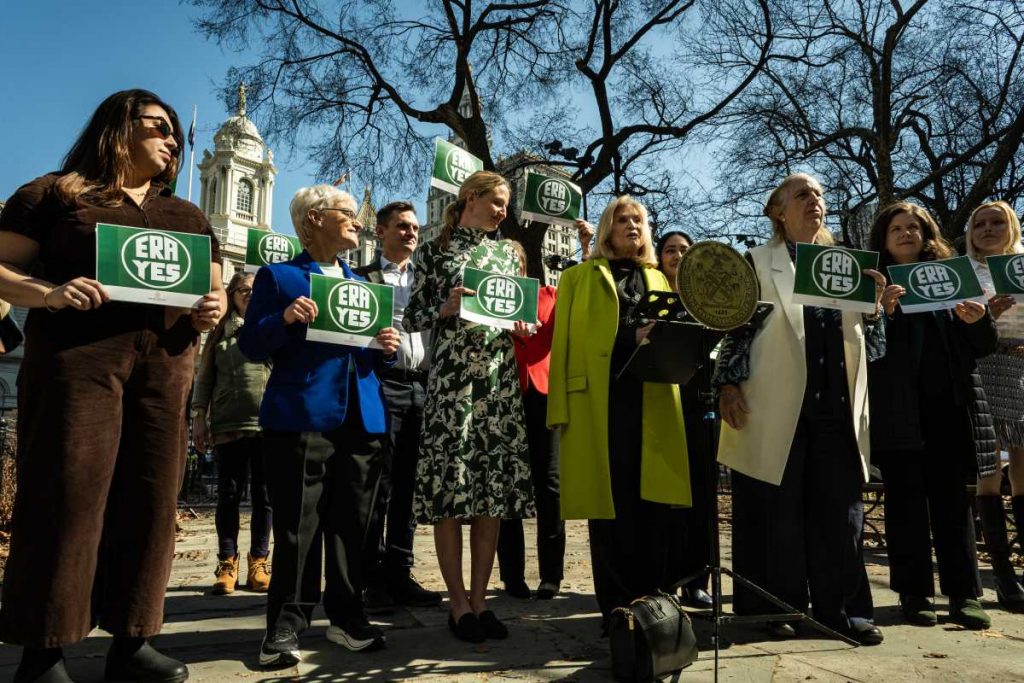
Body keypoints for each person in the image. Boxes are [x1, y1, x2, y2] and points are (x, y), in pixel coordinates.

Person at [0, 89, 225, 683]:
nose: (172, 139)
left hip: (164, 372)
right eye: (157, 125)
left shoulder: (188, 217)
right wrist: (48, 293)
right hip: (77, 365)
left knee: (151, 499)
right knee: (67, 497)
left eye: (175, 131)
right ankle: (43, 649)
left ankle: (134, 641)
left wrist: (213, 306)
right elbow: (2, 266)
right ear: (117, 127)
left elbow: (217, 289)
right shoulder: (53, 194)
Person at [713, 173, 886, 644]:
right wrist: (727, 384)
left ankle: (842, 611)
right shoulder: (755, 262)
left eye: (820, 195)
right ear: (777, 211)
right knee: (774, 512)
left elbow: (874, 348)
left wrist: (875, 311)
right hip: (773, 403)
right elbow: (734, 329)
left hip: (836, 406)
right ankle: (772, 610)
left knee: (840, 512)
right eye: (803, 194)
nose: (815, 201)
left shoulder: (849, 266)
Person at [238, 185, 401, 666]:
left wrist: (385, 349)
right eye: (346, 213)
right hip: (302, 417)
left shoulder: (367, 288)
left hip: (363, 418)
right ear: (314, 220)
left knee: (354, 526)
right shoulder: (280, 277)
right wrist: (285, 318)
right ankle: (285, 627)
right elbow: (251, 345)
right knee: (298, 528)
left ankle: (349, 619)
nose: (356, 220)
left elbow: (372, 363)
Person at [547, 195, 692, 630]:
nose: (633, 226)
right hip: (599, 402)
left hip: (653, 401)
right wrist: (559, 410)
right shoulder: (578, 277)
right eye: (623, 220)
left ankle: (653, 605)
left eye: (640, 220)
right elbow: (564, 346)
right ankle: (615, 608)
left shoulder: (659, 278)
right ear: (607, 228)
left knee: (654, 507)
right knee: (609, 511)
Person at [403, 170, 536, 644]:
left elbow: (519, 314)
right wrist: (445, 306)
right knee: (451, 491)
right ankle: (457, 603)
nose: (504, 211)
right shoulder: (433, 251)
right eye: (497, 201)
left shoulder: (507, 253)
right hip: (452, 386)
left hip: (498, 384)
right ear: (470, 198)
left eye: (506, 205)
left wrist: (523, 324)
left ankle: (482, 601)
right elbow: (412, 315)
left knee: (492, 494)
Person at [867, 201, 997, 630]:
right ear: (884, 239)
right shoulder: (871, 285)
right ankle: (914, 593)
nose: (906, 234)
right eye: (897, 229)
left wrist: (976, 321)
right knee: (905, 504)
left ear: (927, 235)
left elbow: (982, 345)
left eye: (914, 227)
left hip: (949, 408)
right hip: (898, 410)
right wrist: (880, 314)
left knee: (953, 505)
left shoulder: (953, 280)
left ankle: (963, 595)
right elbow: (865, 353)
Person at [353, 201, 442, 612]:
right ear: (381, 231)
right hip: (380, 385)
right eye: (402, 226)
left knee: (409, 486)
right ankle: (370, 579)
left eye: (415, 228)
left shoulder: (429, 280)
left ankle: (400, 572)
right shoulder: (361, 278)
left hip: (423, 386)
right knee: (379, 485)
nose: (411, 233)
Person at [192, 271, 272, 595]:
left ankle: (259, 561)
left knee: (265, 498)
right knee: (229, 496)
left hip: (267, 425)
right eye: (243, 290)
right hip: (227, 424)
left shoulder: (270, 328)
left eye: (255, 290)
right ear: (232, 294)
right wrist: (199, 416)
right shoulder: (219, 333)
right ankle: (227, 562)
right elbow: (205, 377)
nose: (250, 295)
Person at [496, 241, 565, 601]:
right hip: (503, 396)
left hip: (544, 394)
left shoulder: (549, 295)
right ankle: (513, 576)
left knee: (549, 486)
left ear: (524, 265)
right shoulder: (486, 301)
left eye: (513, 261)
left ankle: (551, 575)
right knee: (508, 487)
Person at [965, 200, 1024, 612]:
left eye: (996, 222)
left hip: (1022, 367)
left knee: (1023, 472)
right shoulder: (962, 274)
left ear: (1012, 227)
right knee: (988, 472)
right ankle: (1003, 576)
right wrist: (986, 315)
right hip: (983, 368)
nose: (987, 229)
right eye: (979, 223)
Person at [655, 231, 714, 609]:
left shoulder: (710, 300)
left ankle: (697, 581)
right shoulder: (653, 296)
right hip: (663, 405)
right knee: (666, 501)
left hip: (701, 405)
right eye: (671, 249)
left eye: (686, 249)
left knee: (702, 499)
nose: (679, 254)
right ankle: (663, 580)